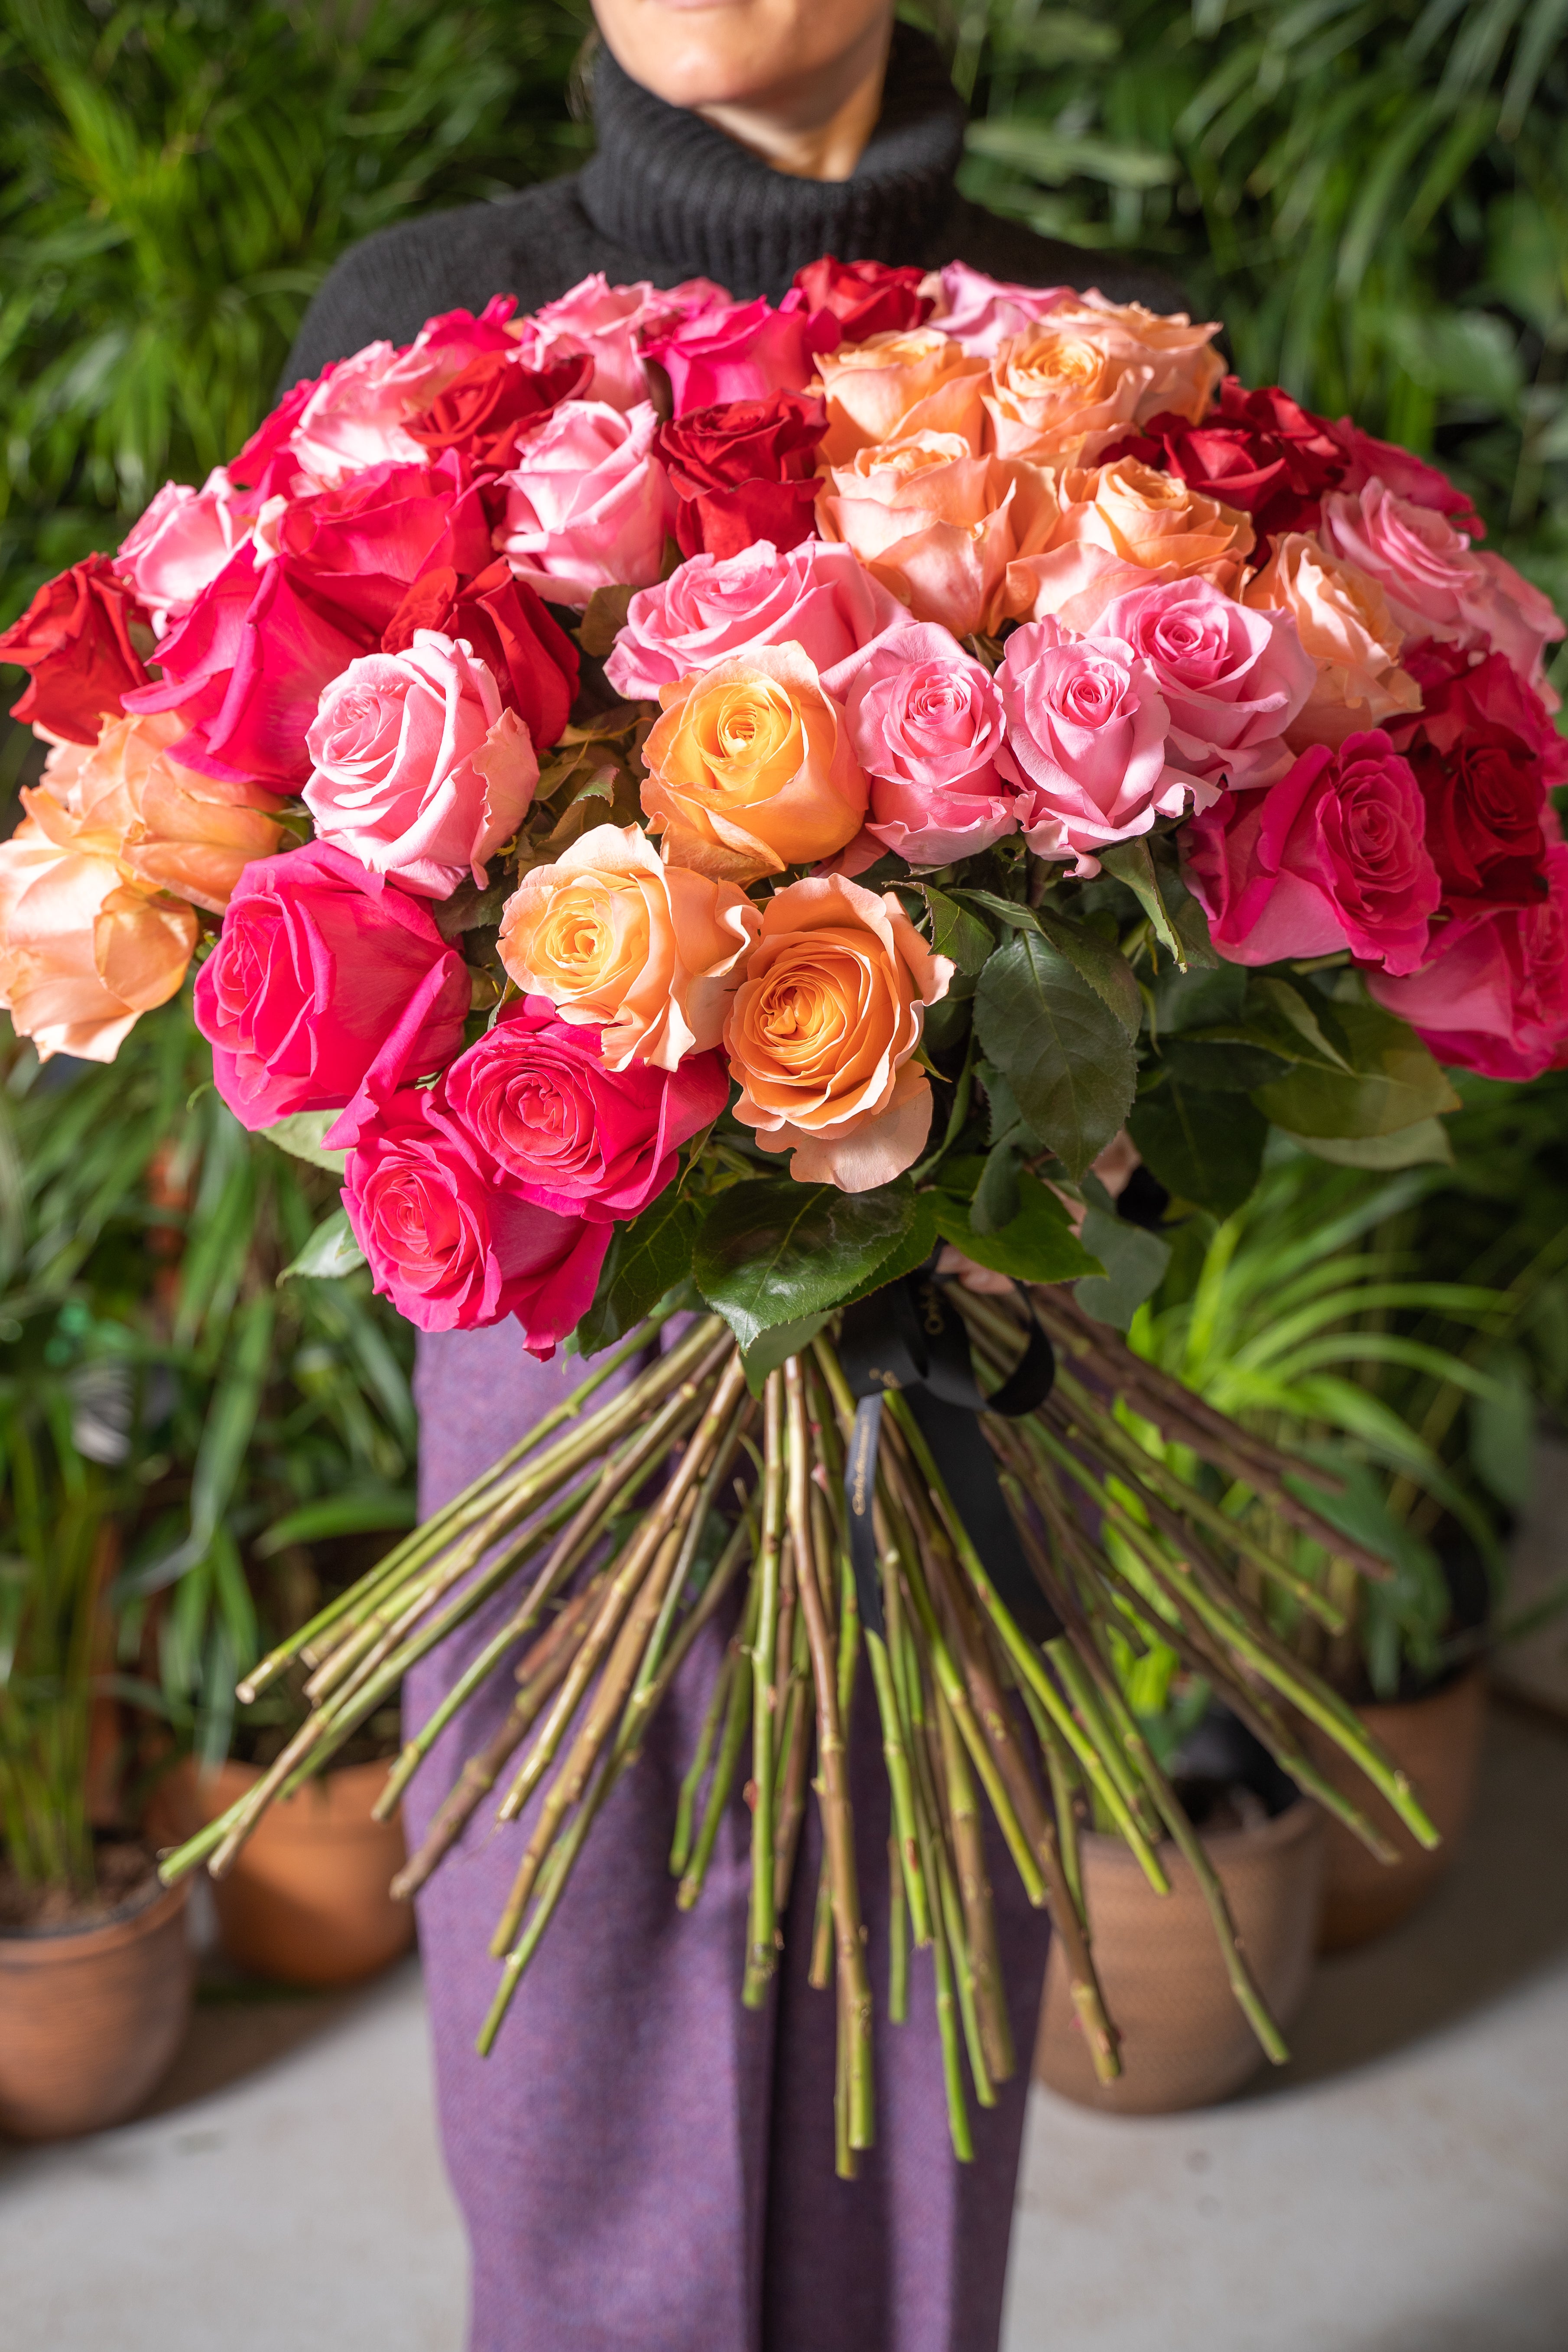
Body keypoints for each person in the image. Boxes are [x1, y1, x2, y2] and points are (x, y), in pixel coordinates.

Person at [286, 11, 1182, 2349]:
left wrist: (1043, 1116)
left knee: (919, 2026)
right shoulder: (424, 331)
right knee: (569, 2041)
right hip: (558, 1362)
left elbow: (1182, 988)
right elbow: (302, 926)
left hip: (964, 1350)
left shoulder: (1095, 374)